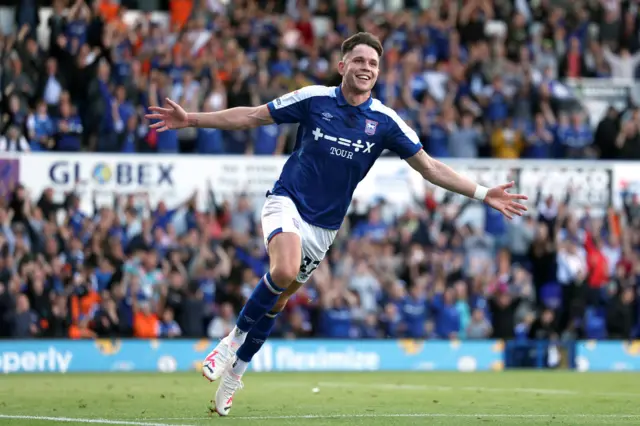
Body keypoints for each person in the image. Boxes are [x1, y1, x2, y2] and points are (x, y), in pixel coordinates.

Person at [145, 32, 528, 416]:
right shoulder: (314, 99)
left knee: (278, 301)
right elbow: (252, 115)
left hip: (324, 228)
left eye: (373, 64)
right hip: (288, 201)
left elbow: (429, 167)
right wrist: (191, 119)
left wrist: (483, 193)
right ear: (342, 66)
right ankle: (230, 342)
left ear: (378, 74)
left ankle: (235, 374)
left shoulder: (384, 121)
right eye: (359, 60)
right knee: (284, 269)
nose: (366, 68)